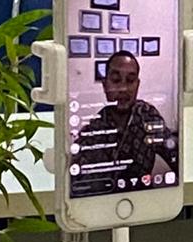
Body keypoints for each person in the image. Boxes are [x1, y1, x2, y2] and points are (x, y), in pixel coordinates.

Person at [72, 51, 178, 195]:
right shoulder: (92, 131)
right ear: (105, 85)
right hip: (102, 203)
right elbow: (76, 184)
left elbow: (176, 156)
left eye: (130, 80)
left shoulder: (147, 115)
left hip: (143, 200)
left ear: (137, 85)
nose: (123, 88)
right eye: (116, 80)